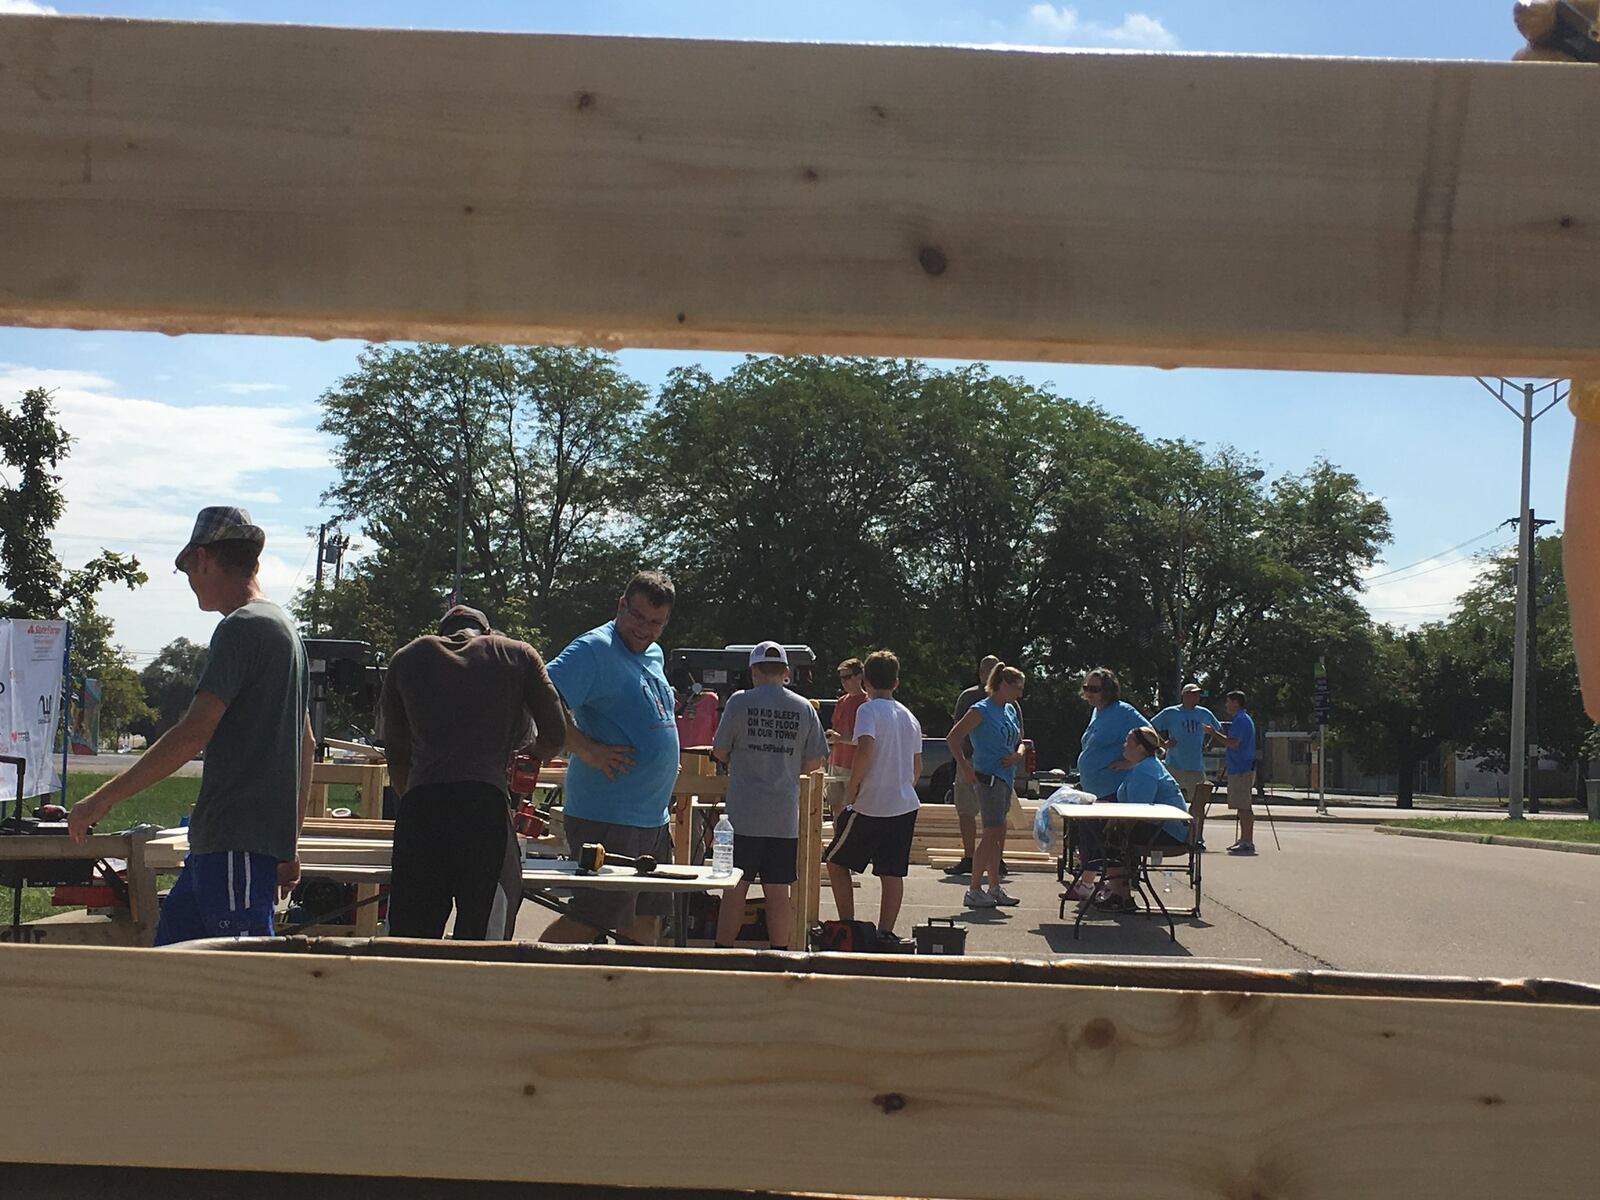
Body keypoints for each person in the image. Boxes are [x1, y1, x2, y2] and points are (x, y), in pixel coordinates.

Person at [67, 507, 312, 945]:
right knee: (173, 977)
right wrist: (287, 845)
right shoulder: (285, 631)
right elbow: (306, 745)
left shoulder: (242, 628)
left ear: (203, 558)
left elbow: (193, 732)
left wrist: (100, 800)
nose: (190, 581)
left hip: (235, 844)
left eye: (187, 570)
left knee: (241, 986)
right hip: (221, 846)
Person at [381, 604, 565, 939]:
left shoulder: (407, 658)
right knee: (482, 941)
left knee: (409, 941)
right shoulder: (517, 655)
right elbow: (556, 735)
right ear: (487, 631)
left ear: (444, 633)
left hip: (422, 808)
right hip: (484, 808)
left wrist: (416, 798)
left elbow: (396, 754)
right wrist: (528, 756)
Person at [539, 570, 681, 944]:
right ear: (621, 605)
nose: (644, 629)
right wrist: (587, 749)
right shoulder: (594, 649)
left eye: (655, 623)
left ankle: (628, 999)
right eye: (637, 617)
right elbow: (540, 699)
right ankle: (527, 980)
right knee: (592, 918)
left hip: (652, 818)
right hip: (606, 817)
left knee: (648, 919)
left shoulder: (654, 653)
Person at [710, 641, 828, 948]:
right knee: (778, 891)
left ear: (753, 671)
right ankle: (780, 956)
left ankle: (721, 955)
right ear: (786, 672)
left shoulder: (739, 702)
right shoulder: (803, 707)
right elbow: (816, 761)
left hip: (743, 816)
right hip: (783, 816)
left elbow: (719, 751)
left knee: (735, 888)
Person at [822, 649, 921, 947]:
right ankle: (885, 932)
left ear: (864, 681)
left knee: (836, 862)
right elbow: (917, 766)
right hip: (904, 804)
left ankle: (848, 925)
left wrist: (853, 788)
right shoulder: (909, 716)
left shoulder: (868, 710)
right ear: (897, 682)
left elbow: (864, 749)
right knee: (892, 872)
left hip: (871, 803)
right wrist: (902, 785)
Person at [1074, 726, 1191, 912]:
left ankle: (1119, 895)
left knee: (1107, 837)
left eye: (1129, 741)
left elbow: (1138, 810)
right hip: (1163, 827)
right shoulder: (1144, 766)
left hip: (1168, 832)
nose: (1124, 745)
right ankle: (1119, 894)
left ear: (1141, 748)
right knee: (1109, 832)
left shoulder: (1146, 770)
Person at [1063, 667, 1150, 901]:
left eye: (1095, 689)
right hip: (1093, 788)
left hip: (1112, 788)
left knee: (1106, 840)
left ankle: (1109, 887)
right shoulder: (1097, 712)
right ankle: (1088, 884)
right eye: (1086, 688)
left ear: (1108, 690)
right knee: (1088, 836)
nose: (1089, 693)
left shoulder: (1123, 711)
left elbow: (1151, 736)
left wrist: (1129, 762)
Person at [947, 663, 1025, 909]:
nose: (1020, 694)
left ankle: (994, 886)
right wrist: (966, 767)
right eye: (1017, 688)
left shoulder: (1010, 709)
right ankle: (973, 888)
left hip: (1005, 777)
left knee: (998, 835)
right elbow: (953, 738)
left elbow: (1021, 740)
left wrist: (1018, 754)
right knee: (990, 833)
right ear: (1002, 685)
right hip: (987, 778)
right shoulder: (980, 709)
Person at [943, 654, 998, 877]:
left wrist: (1014, 754)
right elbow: (956, 732)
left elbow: (1017, 733)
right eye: (991, 672)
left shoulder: (1006, 699)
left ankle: (996, 857)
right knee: (966, 810)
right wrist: (963, 763)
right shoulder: (969, 697)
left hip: (995, 764)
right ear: (982, 674)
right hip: (970, 759)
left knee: (994, 814)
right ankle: (969, 856)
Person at [1150, 683, 1221, 850]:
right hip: (1174, 766)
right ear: (1185, 695)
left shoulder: (1204, 713)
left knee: (1198, 804)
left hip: (1196, 766)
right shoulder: (1171, 713)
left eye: (1198, 695)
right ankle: (1169, 835)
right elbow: (1150, 727)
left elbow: (1218, 729)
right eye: (1194, 694)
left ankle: (1196, 838)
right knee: (1169, 802)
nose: (1197, 697)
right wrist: (1164, 744)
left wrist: (1209, 743)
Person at [1205, 690, 1259, 855]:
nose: (1226, 705)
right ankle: (1244, 839)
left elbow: (1233, 743)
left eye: (1228, 702)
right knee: (1241, 805)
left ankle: (1247, 841)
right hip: (1239, 766)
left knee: (1244, 806)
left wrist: (1213, 733)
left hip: (1242, 768)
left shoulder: (1241, 720)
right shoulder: (1241, 719)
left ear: (1236, 702)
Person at [823, 657, 868, 819]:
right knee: (835, 807)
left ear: (859, 676)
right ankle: (837, 841)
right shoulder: (842, 701)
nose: (844, 682)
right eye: (841, 678)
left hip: (853, 765)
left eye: (847, 677)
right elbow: (836, 731)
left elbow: (864, 739)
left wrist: (840, 738)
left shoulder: (867, 702)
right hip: (836, 762)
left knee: (853, 808)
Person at [673, 671, 721, 749]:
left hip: (703, 757)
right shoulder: (669, 699)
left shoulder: (711, 700)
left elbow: (720, 736)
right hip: (676, 756)